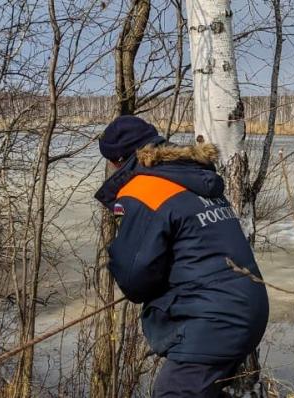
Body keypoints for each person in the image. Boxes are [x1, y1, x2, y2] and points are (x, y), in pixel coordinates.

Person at [94, 115, 269, 398]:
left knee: (173, 392)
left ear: (117, 161)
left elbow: (133, 279)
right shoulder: (193, 178)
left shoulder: (144, 189)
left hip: (214, 319)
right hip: (247, 308)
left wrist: (116, 254)